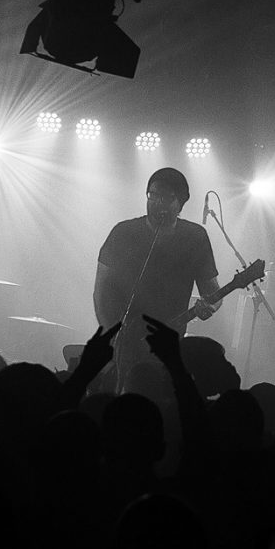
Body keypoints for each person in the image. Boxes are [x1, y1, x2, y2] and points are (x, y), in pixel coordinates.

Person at [93, 167, 220, 391]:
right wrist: (110, 333)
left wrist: (208, 306)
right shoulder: (123, 233)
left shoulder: (195, 237)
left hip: (168, 342)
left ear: (181, 202)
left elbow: (212, 293)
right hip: (124, 339)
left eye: (167, 197)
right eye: (153, 195)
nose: (157, 202)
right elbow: (101, 290)